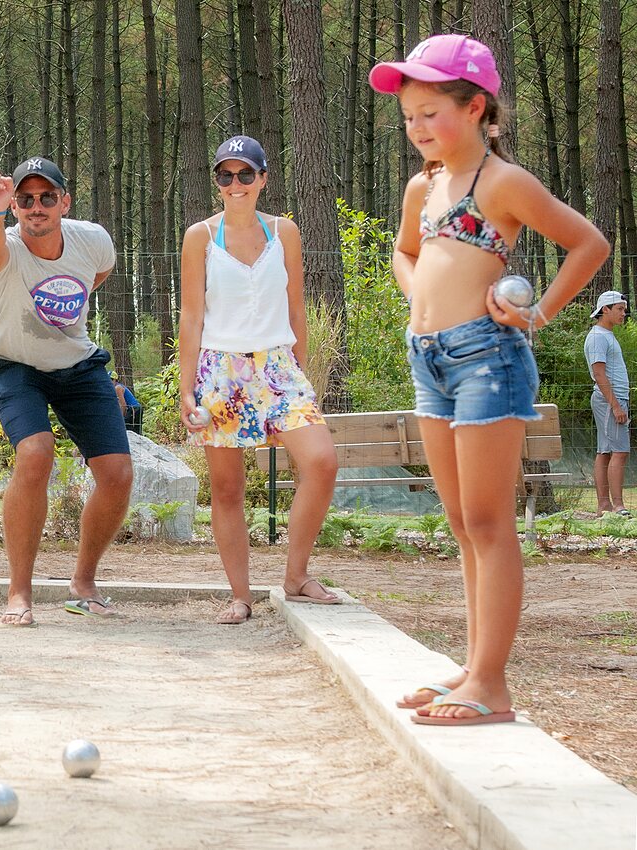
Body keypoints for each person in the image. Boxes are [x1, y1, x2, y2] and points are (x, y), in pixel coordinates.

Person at [370, 34, 610, 725]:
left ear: (475, 107)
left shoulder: (502, 182)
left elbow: (589, 243)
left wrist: (539, 312)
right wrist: (419, 299)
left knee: (487, 521)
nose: (417, 128)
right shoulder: (424, 186)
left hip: (487, 359)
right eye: (408, 116)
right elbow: (404, 252)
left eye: (430, 113)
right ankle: (473, 667)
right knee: (460, 522)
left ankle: (491, 685)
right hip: (430, 360)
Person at [178, 135, 339, 626]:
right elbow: (191, 316)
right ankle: (240, 596)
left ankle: (296, 576)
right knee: (228, 489)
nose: (236, 184)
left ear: (263, 179)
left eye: (245, 174)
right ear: (217, 182)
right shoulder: (200, 236)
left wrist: (299, 371)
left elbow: (296, 307)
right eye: (225, 175)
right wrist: (187, 389)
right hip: (221, 370)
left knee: (322, 462)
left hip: (278, 367)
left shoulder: (284, 231)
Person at [0, 156, 133, 626]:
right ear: (15, 207)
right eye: (25, 199)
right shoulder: (3, 242)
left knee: (118, 474)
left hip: (77, 364)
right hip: (13, 365)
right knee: (36, 453)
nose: (36, 206)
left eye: (46, 197)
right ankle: (19, 591)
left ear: (65, 202)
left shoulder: (93, 240)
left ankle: (83, 584)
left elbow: (97, 275)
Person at [585, 290, 630, 517]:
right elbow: (599, 374)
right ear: (605, 309)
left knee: (605, 451)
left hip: (614, 399)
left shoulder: (607, 335)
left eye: (624, 309)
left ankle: (605, 506)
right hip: (609, 400)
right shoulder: (598, 337)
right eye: (619, 309)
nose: (623, 313)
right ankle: (617, 506)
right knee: (619, 451)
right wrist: (615, 405)